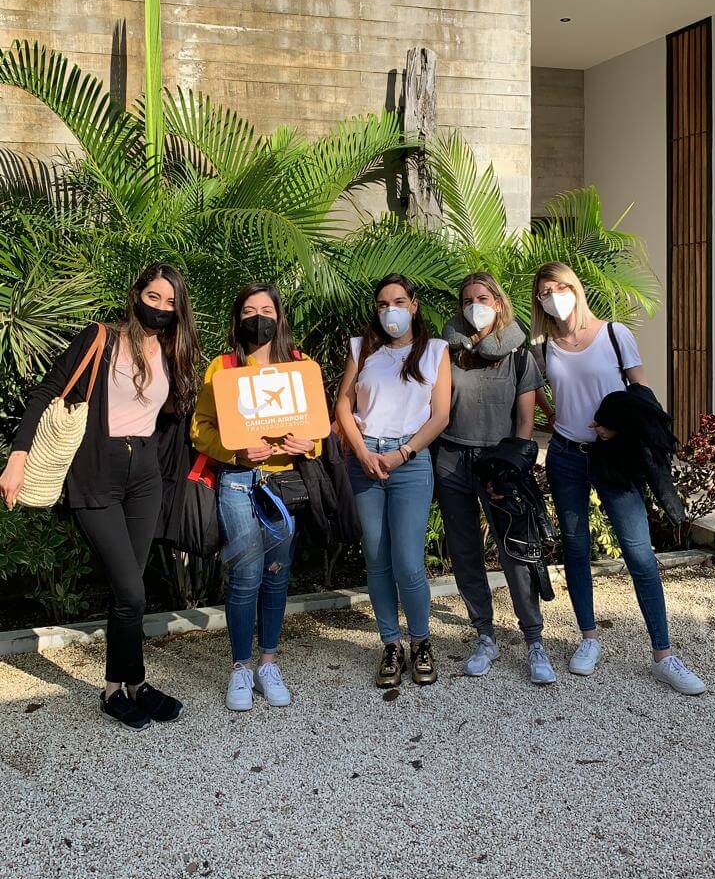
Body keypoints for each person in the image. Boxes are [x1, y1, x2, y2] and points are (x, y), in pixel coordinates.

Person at [0, 263, 202, 730]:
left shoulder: (172, 351)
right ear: (136, 295)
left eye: (170, 303)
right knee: (131, 590)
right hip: (97, 475)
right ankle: (121, 687)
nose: (160, 309)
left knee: (129, 592)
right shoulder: (100, 338)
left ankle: (129, 686)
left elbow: (169, 417)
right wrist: (18, 456)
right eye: (153, 298)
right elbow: (47, 392)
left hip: (145, 477)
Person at [532, 261, 705, 695]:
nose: (554, 295)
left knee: (638, 552)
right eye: (545, 290)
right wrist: (551, 415)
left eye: (561, 286)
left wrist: (617, 428)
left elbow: (642, 397)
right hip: (567, 457)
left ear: (576, 288)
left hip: (614, 457)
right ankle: (588, 638)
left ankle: (664, 654)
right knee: (575, 547)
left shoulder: (614, 334)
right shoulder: (542, 346)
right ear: (538, 299)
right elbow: (534, 388)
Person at [190, 283, 322, 711]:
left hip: (283, 485)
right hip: (237, 481)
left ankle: (269, 662)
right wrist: (235, 449)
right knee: (246, 576)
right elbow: (200, 428)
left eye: (266, 308)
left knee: (277, 573)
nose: (259, 317)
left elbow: (317, 429)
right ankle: (241, 667)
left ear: (280, 316)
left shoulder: (300, 366)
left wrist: (310, 445)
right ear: (238, 319)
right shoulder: (223, 367)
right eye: (250, 310)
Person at [436, 272, 556, 685]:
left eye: (482, 297)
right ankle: (484, 634)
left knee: (515, 549)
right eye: (467, 299)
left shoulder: (520, 356)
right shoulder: (447, 353)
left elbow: (525, 420)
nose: (475, 305)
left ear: (499, 302)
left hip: (499, 460)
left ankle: (534, 639)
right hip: (452, 459)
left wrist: (509, 468)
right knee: (466, 549)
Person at [335, 274, 451, 689]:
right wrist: (363, 453)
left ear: (414, 305)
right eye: (383, 304)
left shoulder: (436, 351)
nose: (390, 311)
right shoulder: (361, 348)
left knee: (407, 561)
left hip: (409, 462)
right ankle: (390, 644)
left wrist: (402, 453)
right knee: (377, 559)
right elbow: (343, 406)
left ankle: (420, 642)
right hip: (364, 461)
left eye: (398, 302)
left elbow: (440, 415)